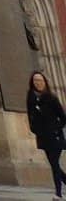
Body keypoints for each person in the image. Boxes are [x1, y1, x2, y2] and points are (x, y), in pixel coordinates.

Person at [27, 70, 66, 198]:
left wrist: (56, 128)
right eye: (35, 80)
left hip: (55, 137)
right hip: (43, 137)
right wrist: (34, 128)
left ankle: (58, 194)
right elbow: (30, 115)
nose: (38, 83)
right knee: (54, 165)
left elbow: (63, 117)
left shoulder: (51, 98)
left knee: (54, 164)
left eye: (40, 80)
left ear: (45, 82)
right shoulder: (31, 98)